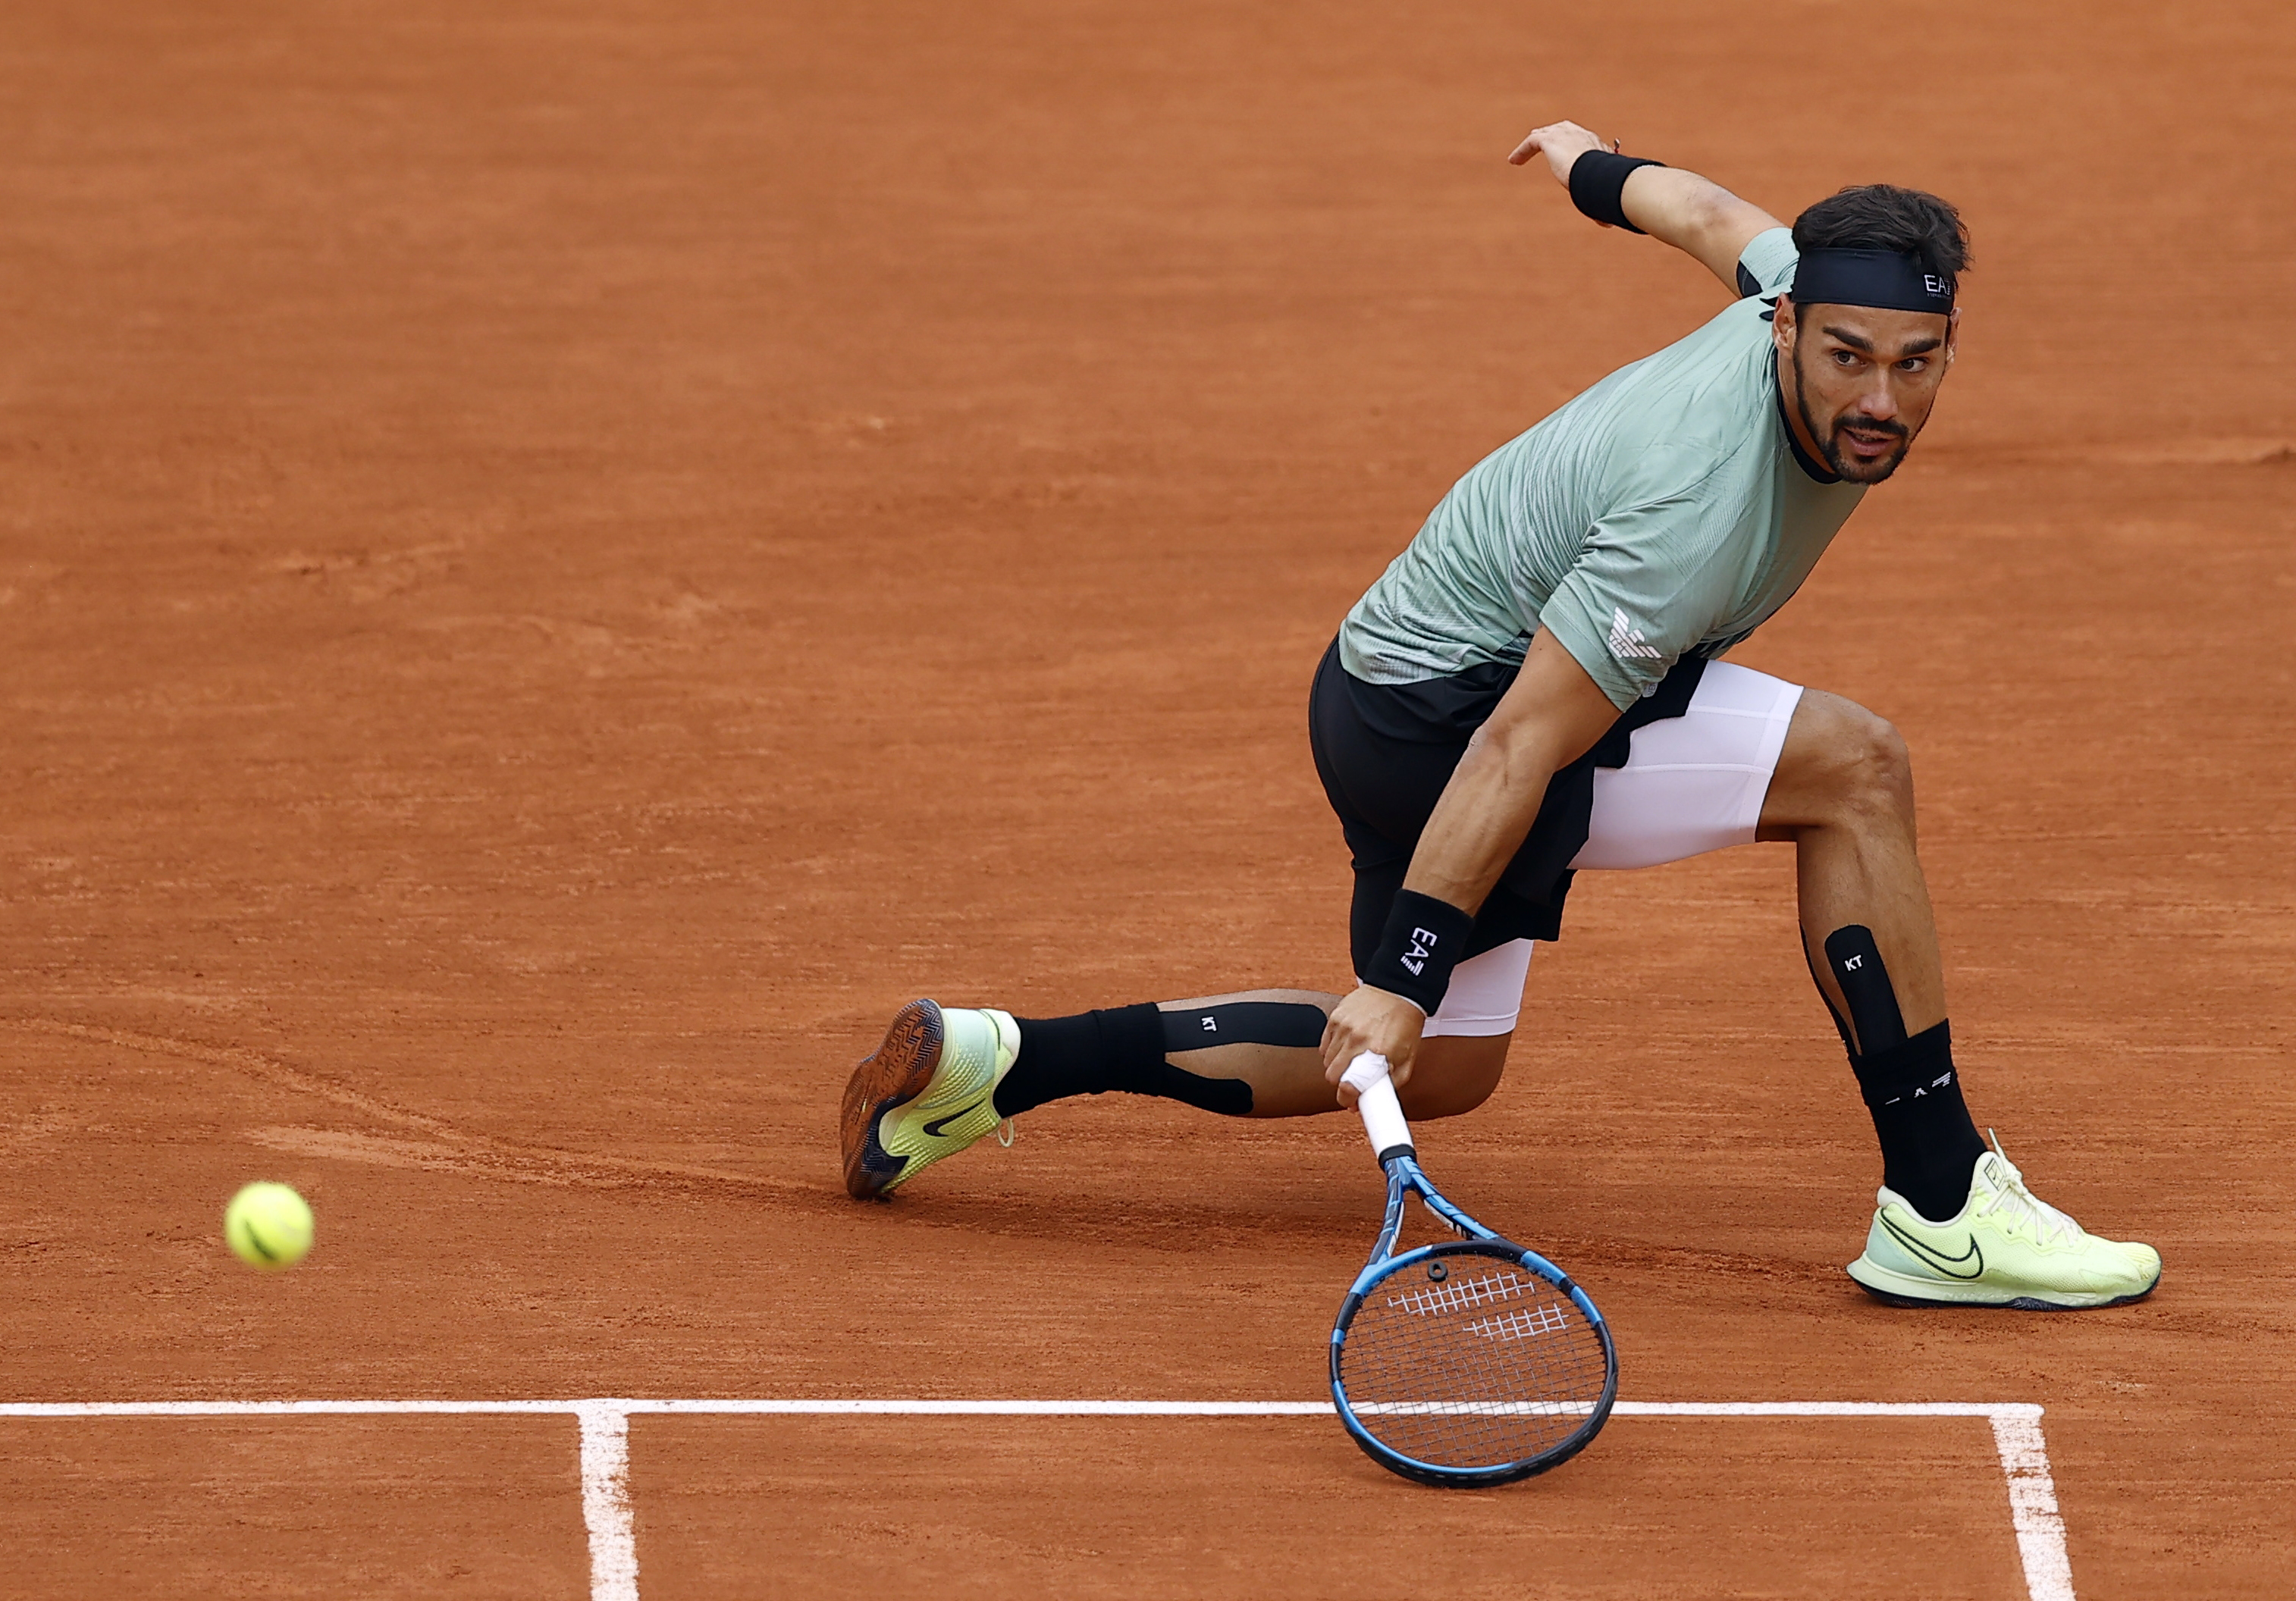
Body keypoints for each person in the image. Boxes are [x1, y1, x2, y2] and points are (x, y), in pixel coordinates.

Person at [838, 119, 2159, 1311]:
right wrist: (1406, 969)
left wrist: (1591, 168)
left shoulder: (1787, 277)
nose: (1877, 401)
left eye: (1915, 365)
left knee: (1441, 1074)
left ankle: (998, 1063)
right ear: (1786, 331)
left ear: (1944, 347)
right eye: (1846, 358)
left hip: (1379, 688)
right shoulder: (1695, 507)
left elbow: (1700, 208)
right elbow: (1523, 739)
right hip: (1451, 719)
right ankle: (1939, 1203)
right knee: (1856, 769)